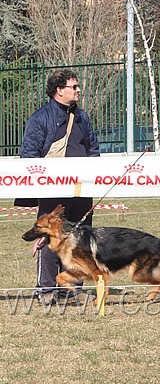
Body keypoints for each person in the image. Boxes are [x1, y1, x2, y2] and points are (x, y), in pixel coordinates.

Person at [20, 69, 100, 305]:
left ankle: (72, 290)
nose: (77, 90)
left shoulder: (82, 117)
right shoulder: (40, 118)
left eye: (77, 86)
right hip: (53, 191)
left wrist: (92, 183)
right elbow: (30, 156)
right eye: (73, 87)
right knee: (49, 240)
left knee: (80, 240)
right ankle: (46, 290)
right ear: (59, 90)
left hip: (81, 188)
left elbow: (93, 150)